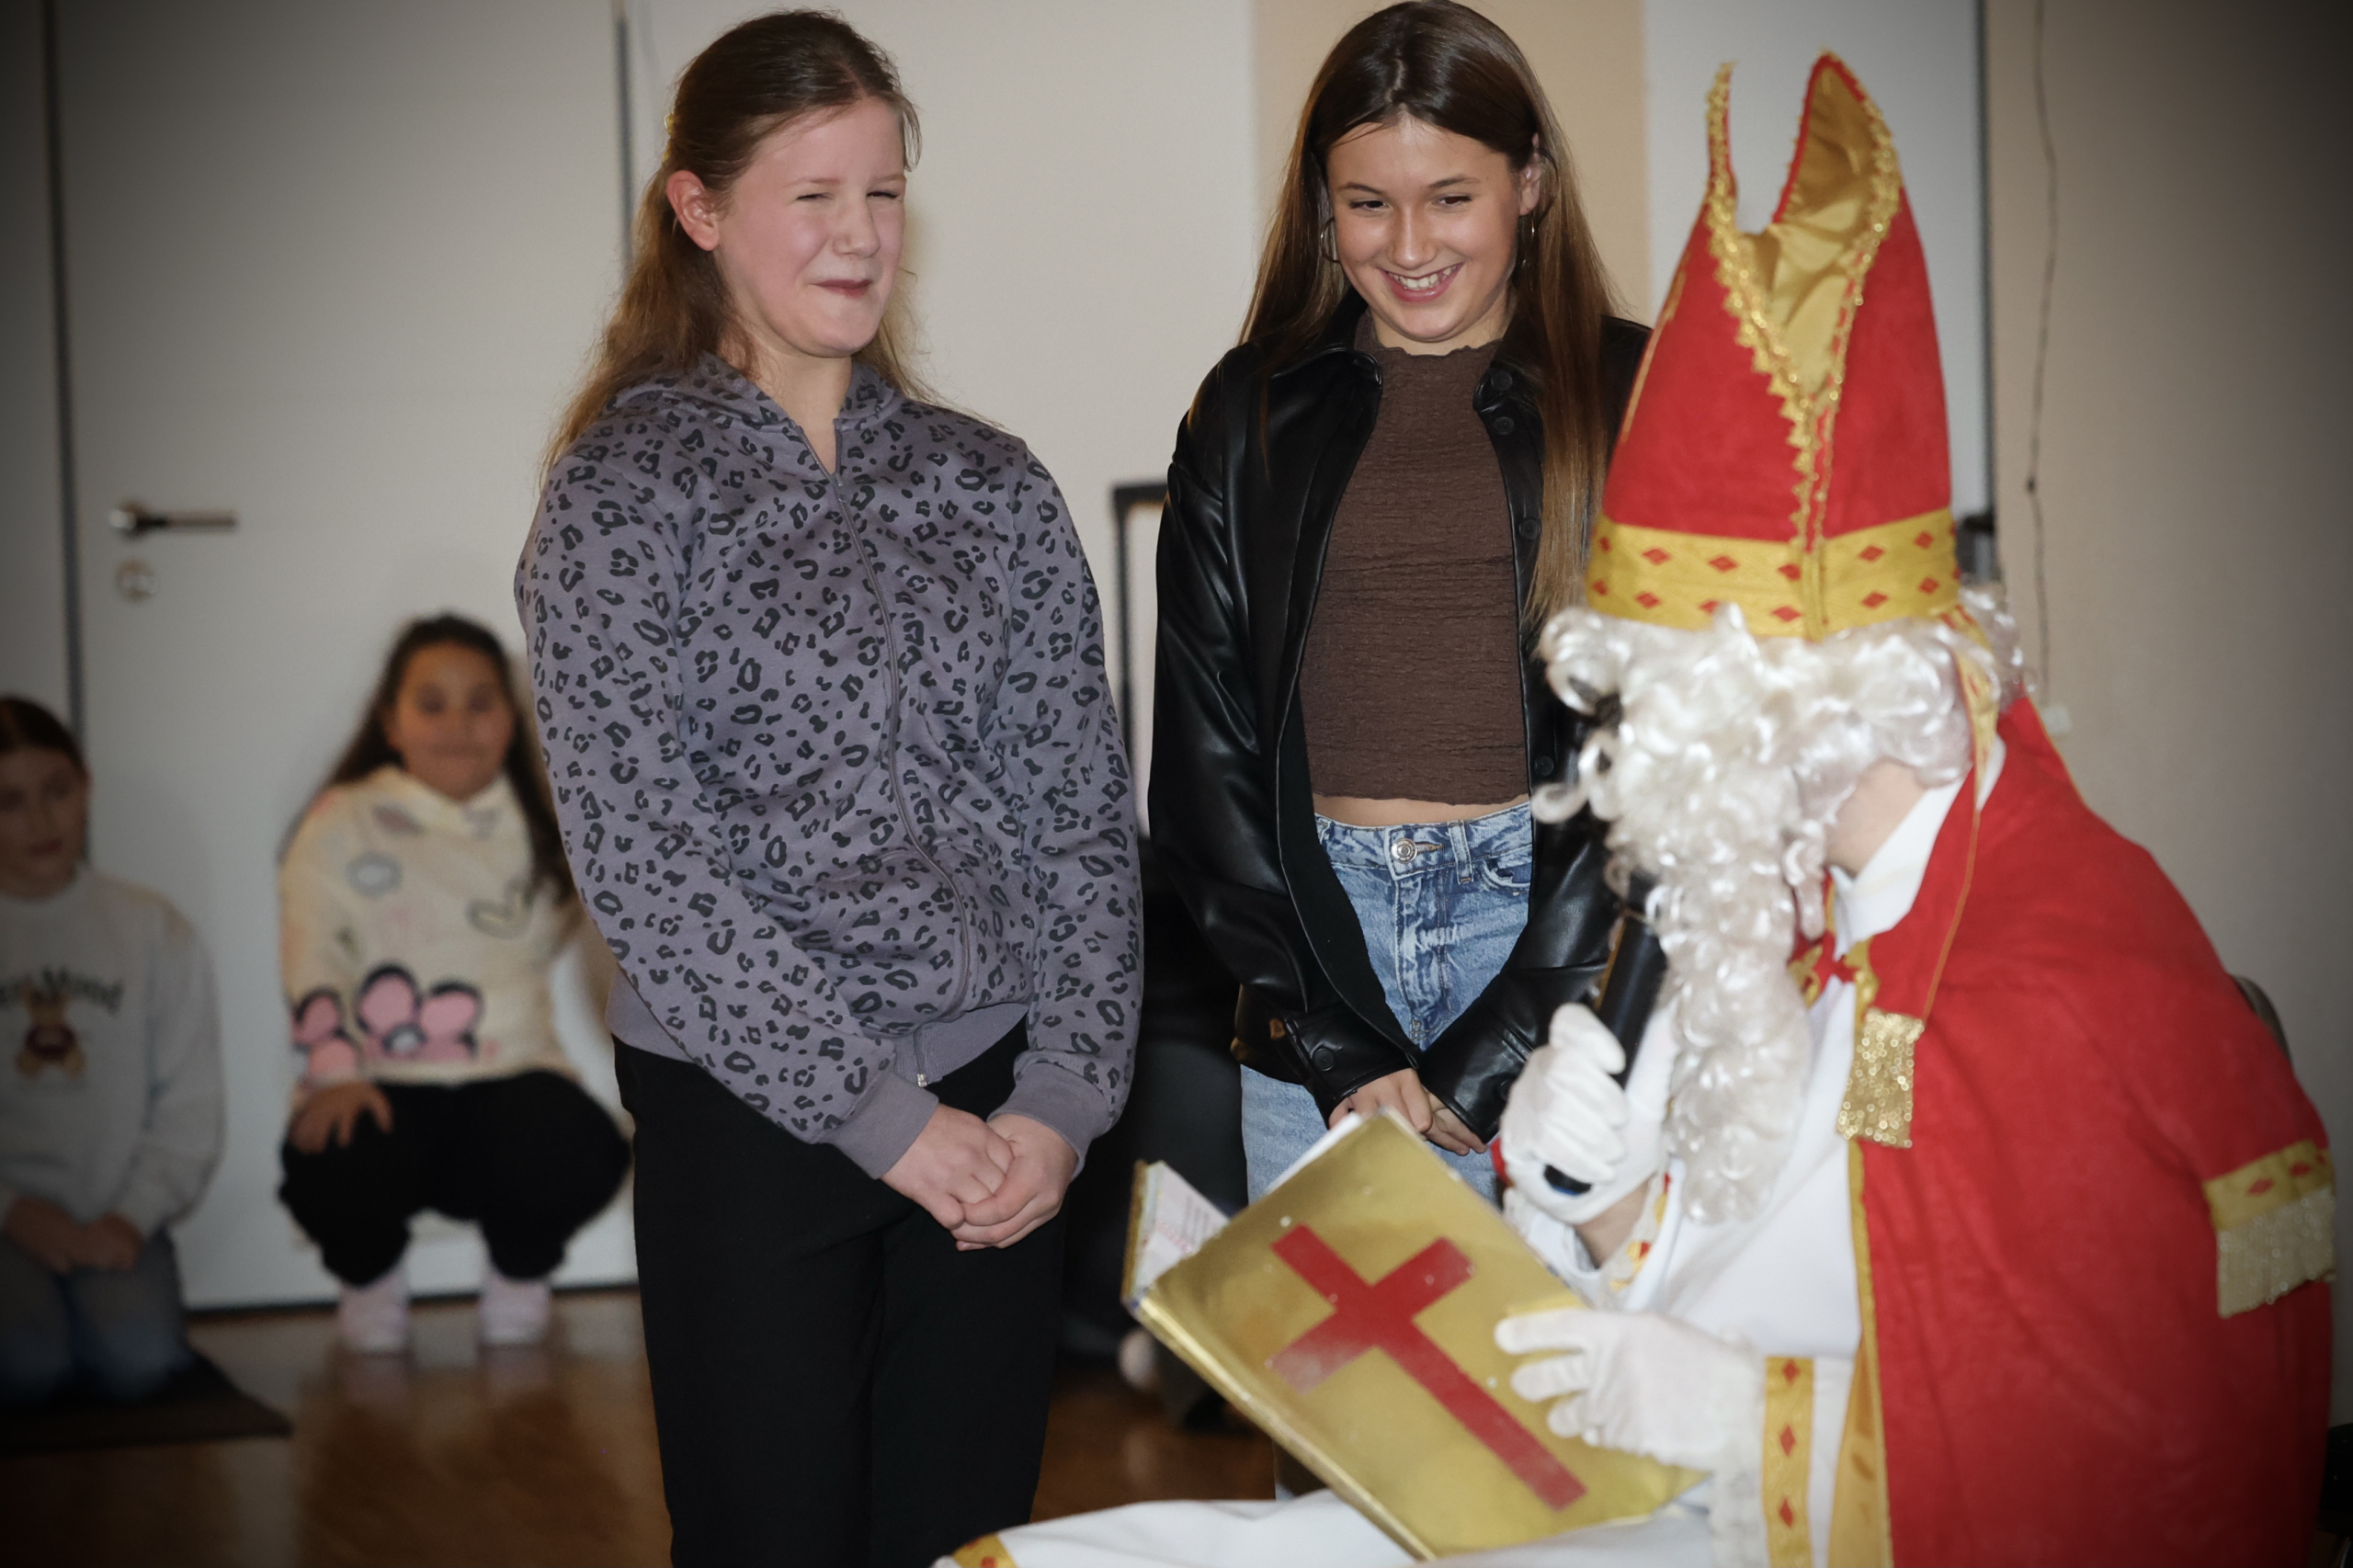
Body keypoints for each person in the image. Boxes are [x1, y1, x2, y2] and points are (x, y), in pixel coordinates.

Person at [948, 53, 2330, 1568]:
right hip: (1333, 993)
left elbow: (2109, 1437)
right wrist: (1602, 1199)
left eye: (1659, 708)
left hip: (1595, 1086)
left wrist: (1740, 1407)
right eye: (1368, 203)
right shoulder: (1787, 918)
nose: (1631, 760)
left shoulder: (2037, 988)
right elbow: (1756, 1263)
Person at [516, 12, 1141, 1566]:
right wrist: (880, 1118)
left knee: (964, 1536)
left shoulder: (989, 483)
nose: (860, 236)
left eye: (883, 193)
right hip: (750, 1116)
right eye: (813, 197)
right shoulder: (621, 493)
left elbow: (1080, 818)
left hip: (1000, 1116)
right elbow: (648, 869)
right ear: (700, 208)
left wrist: (1064, 1101)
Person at [1152, 0, 1650, 1206]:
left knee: (1561, 1337)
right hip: (1313, 967)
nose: (1409, 244)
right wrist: (1330, 1032)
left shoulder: (1638, 395)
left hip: (1559, 957)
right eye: (1369, 202)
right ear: (1323, 209)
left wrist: (1513, 1031)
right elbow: (1204, 760)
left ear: (1530, 182)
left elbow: (1669, 749)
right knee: (1332, 1340)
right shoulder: (1244, 411)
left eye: (1451, 197)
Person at [277, 615, 629, 1355]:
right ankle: (369, 1276)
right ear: (390, 722)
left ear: (512, 718)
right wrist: (333, 1074)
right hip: (378, 1081)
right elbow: (313, 956)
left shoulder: (545, 823)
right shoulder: (343, 820)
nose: (458, 725)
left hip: (512, 1077)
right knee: (332, 1155)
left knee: (584, 1147)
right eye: (431, 704)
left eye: (481, 703)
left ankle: (520, 1271)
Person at [0, 697, 222, 1405]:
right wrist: (13, 1211)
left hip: (115, 1216)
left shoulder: (153, 929)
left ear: (86, 787)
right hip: (7, 1218)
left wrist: (133, 1214)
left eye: (57, 791)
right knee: (25, 1369)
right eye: (10, 802)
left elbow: (191, 1104)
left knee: (142, 1362)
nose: (41, 822)